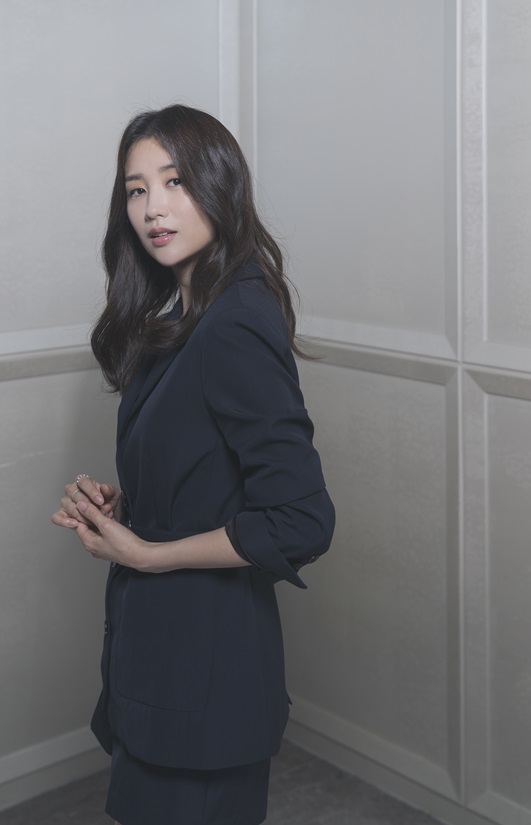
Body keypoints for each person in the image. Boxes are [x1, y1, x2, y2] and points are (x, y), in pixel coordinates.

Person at [51, 104, 335, 825]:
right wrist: (124, 507)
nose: (153, 207)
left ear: (219, 184)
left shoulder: (235, 318)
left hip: (206, 674)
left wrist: (147, 553)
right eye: (136, 189)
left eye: (174, 181)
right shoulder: (181, 315)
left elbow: (301, 519)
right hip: (158, 662)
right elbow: (204, 469)